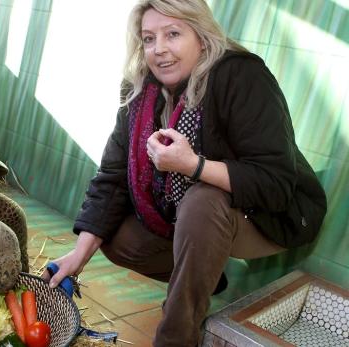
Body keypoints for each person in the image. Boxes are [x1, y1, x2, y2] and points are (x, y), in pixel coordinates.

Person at [42, 0, 327, 346]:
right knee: (116, 234)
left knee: (203, 198)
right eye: (148, 39)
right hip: (194, 217)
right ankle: (203, 274)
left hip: (272, 214)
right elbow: (114, 176)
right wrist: (78, 254)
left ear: (202, 37)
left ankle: (177, 337)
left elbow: (277, 183)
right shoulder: (139, 90)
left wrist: (193, 165)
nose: (159, 49)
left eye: (173, 34)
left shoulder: (242, 76)